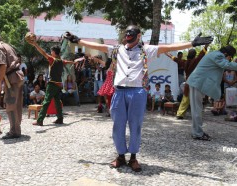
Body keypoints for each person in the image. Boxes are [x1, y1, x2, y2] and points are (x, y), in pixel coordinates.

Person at [64, 26, 213, 172]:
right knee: (118, 126)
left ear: (139, 36)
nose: (128, 35)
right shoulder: (117, 49)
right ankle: (121, 156)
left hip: (137, 92)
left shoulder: (147, 50)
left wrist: (191, 43)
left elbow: (168, 47)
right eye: (127, 33)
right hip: (119, 92)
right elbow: (99, 46)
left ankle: (133, 157)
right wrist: (78, 40)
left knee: (135, 126)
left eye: (132, 33)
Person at [187, 45, 237, 141]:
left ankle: (197, 132)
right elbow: (226, 65)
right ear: (226, 54)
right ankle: (197, 133)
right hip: (197, 82)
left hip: (198, 83)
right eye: (230, 57)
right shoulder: (218, 56)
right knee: (197, 109)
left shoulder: (215, 54)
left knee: (197, 109)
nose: (229, 60)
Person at [25, 37, 74, 126]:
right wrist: (75, 62)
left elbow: (43, 53)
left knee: (46, 101)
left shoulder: (53, 60)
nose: (50, 53)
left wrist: (35, 44)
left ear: (54, 53)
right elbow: (69, 62)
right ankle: (60, 118)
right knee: (57, 102)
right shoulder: (61, 61)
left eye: (51, 52)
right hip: (59, 84)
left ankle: (40, 120)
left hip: (52, 84)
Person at [0, 33, 24, 139]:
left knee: (10, 105)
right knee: (17, 105)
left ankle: (14, 131)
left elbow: (2, 65)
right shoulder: (8, 46)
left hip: (12, 78)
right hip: (18, 76)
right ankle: (17, 128)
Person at [175, 46, 208, 120]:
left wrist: (170, 56)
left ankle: (180, 113)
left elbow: (177, 60)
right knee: (196, 99)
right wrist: (206, 46)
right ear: (194, 54)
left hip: (188, 82)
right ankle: (197, 115)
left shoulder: (185, 62)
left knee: (185, 98)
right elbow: (201, 54)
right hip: (195, 82)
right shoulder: (195, 61)